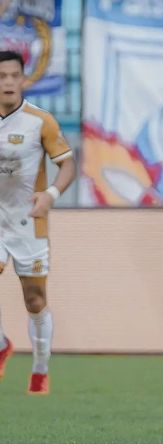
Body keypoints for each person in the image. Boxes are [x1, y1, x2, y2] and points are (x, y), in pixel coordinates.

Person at [0, 51, 76, 394]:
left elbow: (68, 165)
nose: (9, 83)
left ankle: (41, 367)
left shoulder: (39, 121)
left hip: (28, 223)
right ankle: (2, 344)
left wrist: (50, 196)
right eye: (2, 76)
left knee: (34, 300)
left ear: (23, 79)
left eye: (14, 75)